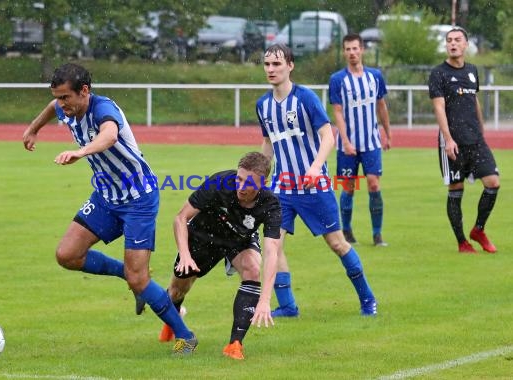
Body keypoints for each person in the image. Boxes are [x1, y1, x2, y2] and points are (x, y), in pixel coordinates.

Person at [22, 63, 197, 354]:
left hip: (138, 199)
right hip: (106, 196)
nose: (61, 103)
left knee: (139, 279)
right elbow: (52, 106)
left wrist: (80, 151)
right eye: (59, 96)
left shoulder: (104, 109)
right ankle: (127, 275)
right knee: (67, 255)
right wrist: (32, 129)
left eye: (66, 97)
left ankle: (185, 335)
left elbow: (109, 136)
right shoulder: (66, 107)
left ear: (84, 91)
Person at [257, 43, 377, 317]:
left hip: (315, 186)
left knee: (337, 243)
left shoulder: (306, 98)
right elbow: (268, 143)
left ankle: (367, 298)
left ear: (290, 65)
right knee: (273, 244)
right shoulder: (263, 105)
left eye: (277, 64)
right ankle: (287, 305)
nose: (271, 69)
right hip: (281, 189)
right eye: (267, 64)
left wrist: (315, 167)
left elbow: (328, 136)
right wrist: (258, 178)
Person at [154, 152, 281, 360]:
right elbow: (180, 218)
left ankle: (234, 345)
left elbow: (272, 251)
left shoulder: (271, 204)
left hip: (238, 240)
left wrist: (265, 300)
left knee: (253, 268)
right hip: (203, 236)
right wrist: (185, 255)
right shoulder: (221, 182)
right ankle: (171, 323)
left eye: (248, 183)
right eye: (239, 179)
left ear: (263, 183)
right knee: (177, 290)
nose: (241, 186)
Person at [428, 27, 499, 254]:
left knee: (493, 182)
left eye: (457, 40)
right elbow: (438, 108)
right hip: (453, 141)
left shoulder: (471, 71)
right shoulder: (438, 73)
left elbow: (474, 100)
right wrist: (448, 139)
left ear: (466, 44)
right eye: (449, 40)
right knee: (456, 188)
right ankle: (462, 242)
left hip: (476, 139)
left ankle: (478, 229)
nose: (453, 44)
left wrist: (482, 129)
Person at [329, 33, 392, 246]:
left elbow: (381, 106)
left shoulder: (375, 76)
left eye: (355, 48)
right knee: (348, 187)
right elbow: (337, 112)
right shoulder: (337, 79)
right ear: (344, 52)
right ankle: (346, 231)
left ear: (362, 50)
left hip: (371, 142)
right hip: (347, 145)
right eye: (348, 49)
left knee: (373, 185)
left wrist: (388, 133)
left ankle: (377, 234)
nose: (352, 53)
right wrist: (345, 141)